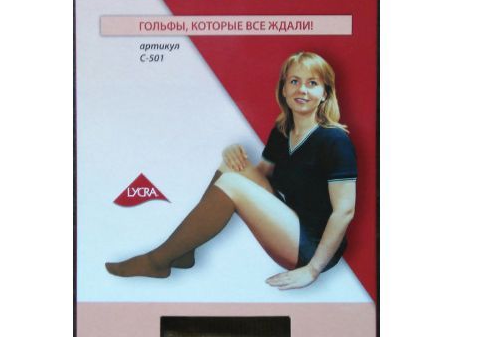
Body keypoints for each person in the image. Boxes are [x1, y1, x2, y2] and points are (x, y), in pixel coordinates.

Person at [105, 51, 357, 290]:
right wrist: (233, 154)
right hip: (292, 220)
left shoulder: (335, 140)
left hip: (314, 248)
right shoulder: (283, 132)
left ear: (325, 93)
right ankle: (185, 251)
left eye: (312, 83)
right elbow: (262, 177)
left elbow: (344, 211)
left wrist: (312, 270)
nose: (301, 89)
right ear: (284, 89)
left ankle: (157, 261)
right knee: (231, 168)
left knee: (232, 183)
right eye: (294, 81)